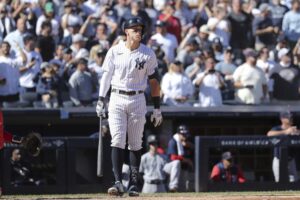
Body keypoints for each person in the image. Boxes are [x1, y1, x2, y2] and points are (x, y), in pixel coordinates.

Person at [96, 17, 162, 197]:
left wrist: (157, 108)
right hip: (116, 97)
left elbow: (154, 82)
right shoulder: (114, 51)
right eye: (135, 29)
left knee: (135, 142)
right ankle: (117, 183)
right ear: (126, 32)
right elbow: (106, 77)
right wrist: (101, 99)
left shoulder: (147, 53)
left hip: (138, 99)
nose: (139, 32)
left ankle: (133, 184)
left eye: (140, 29)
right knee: (116, 140)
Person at [267, 111, 299, 182]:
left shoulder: (294, 129)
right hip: (278, 160)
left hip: (291, 160)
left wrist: (297, 132)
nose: (291, 119)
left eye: (291, 117)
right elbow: (269, 134)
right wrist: (285, 132)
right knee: (279, 182)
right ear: (282, 119)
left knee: (293, 181)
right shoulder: (277, 128)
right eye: (288, 117)